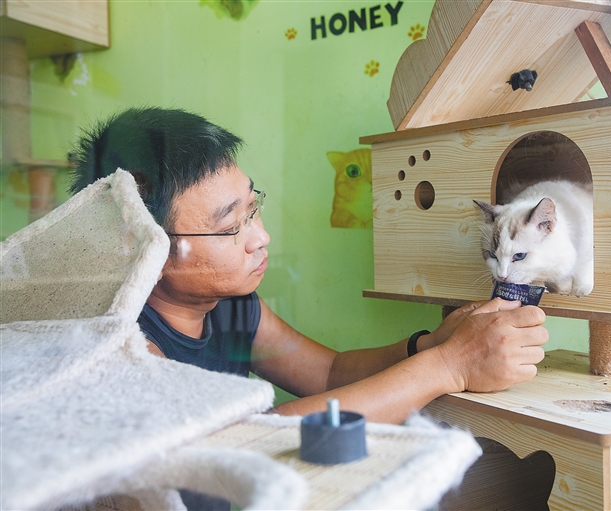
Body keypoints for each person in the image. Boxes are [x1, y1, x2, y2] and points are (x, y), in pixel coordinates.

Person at [71, 107, 548, 425]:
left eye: (252, 208)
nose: (261, 237)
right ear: (144, 248)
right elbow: (246, 441)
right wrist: (450, 365)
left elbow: (329, 373)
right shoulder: (117, 345)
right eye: (231, 226)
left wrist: (429, 344)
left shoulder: (228, 306)